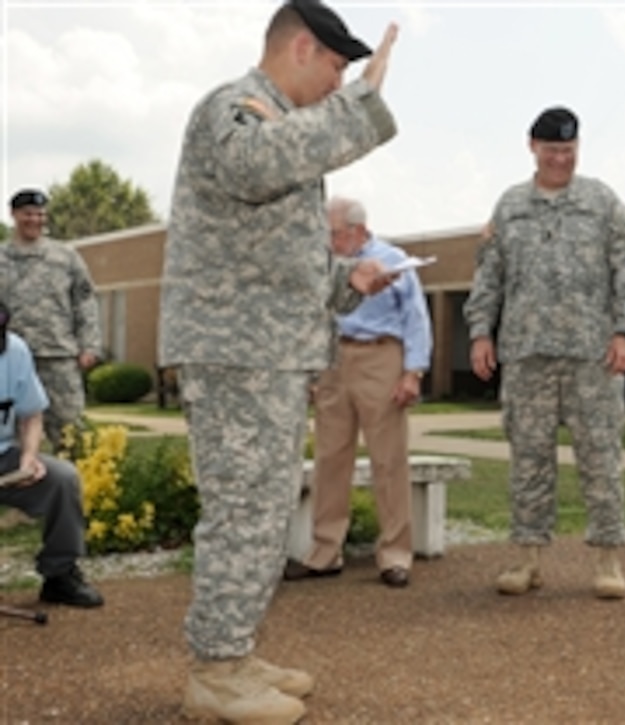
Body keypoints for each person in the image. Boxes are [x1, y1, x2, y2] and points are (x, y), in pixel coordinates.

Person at [157, 1, 399, 722]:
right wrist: (364, 106)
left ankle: (233, 650)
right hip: (233, 354)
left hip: (262, 353)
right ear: (300, 48)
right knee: (243, 511)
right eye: (335, 66)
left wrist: (342, 282)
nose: (339, 81)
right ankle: (215, 672)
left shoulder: (278, 126)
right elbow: (260, 166)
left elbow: (272, 254)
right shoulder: (232, 111)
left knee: (263, 511)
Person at [463, 106, 625, 600]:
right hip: (526, 354)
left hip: (593, 354)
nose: (561, 160)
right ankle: (527, 559)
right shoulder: (510, 207)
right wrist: (481, 332)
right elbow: (489, 276)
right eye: (552, 152)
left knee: (601, 457)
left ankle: (608, 561)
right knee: (528, 459)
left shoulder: (601, 202)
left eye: (568, 151)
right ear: (532, 147)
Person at [285, 197, 433, 588]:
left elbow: (416, 317)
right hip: (334, 360)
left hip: (381, 357)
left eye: (332, 233)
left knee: (388, 459)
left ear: (358, 231)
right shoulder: (327, 267)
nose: (327, 241)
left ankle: (395, 555)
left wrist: (412, 372)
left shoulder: (392, 260)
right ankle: (324, 551)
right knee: (330, 459)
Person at [0, 300, 104, 609]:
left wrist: (29, 456)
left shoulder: (15, 351)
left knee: (62, 478)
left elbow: (31, 415)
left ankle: (59, 575)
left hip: (4, 456)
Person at [0, 189, 102, 455]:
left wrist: (89, 345)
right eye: (28, 214)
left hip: (58, 356)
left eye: (40, 214)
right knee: (9, 432)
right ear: (13, 215)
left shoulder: (65, 257)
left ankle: (79, 488)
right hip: (10, 358)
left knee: (71, 431)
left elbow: (85, 300)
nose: (35, 219)